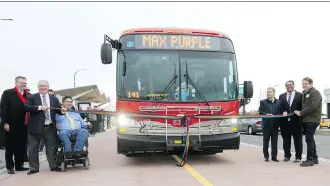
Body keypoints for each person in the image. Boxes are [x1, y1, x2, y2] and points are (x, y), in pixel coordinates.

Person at [24, 80, 66, 175]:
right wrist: (39, 107)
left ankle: (53, 166)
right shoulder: (32, 97)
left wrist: (63, 109)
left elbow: (59, 110)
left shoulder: (54, 99)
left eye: (45, 86)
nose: (43, 88)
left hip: (49, 127)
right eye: (41, 86)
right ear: (38, 87)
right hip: (35, 127)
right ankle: (34, 168)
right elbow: (26, 107)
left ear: (48, 87)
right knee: (33, 148)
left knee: (51, 148)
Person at [0, 76, 30, 174]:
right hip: (11, 124)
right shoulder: (8, 93)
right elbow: (3, 109)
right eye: (21, 83)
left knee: (21, 146)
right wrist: (5, 123)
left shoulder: (28, 95)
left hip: (24, 124)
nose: (23, 85)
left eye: (25, 83)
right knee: (10, 146)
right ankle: (10, 166)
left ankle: (19, 165)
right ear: (16, 83)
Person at [294, 77, 322, 167]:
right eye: (303, 84)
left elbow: (313, 106)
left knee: (308, 138)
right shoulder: (306, 93)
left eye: (306, 83)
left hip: (313, 119)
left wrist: (301, 113)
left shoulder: (315, 93)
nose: (304, 85)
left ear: (311, 84)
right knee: (310, 138)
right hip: (307, 119)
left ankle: (309, 159)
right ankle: (315, 158)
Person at [279, 80, 303, 162]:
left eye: (290, 84)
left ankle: (298, 157)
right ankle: (287, 155)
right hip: (285, 122)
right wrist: (283, 111)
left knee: (298, 140)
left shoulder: (300, 95)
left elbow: (302, 107)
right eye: (287, 85)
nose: (289, 86)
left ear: (294, 85)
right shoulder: (281, 96)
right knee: (286, 140)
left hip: (296, 122)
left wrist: (298, 111)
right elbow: (280, 107)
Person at [259, 87, 282, 162]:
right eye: (267, 92)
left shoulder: (279, 102)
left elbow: (280, 112)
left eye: (270, 92)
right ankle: (266, 156)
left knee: (274, 142)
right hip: (266, 125)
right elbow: (260, 112)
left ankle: (274, 157)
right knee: (266, 141)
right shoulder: (263, 102)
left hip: (275, 126)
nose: (268, 93)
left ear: (274, 93)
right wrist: (266, 114)